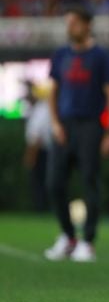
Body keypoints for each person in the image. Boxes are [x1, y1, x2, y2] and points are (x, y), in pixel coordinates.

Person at [44, 7, 109, 262]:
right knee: (54, 182)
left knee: (90, 182)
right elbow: (52, 91)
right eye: (68, 22)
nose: (70, 27)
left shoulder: (101, 56)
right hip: (65, 124)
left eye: (74, 22)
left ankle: (88, 241)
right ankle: (67, 236)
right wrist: (54, 123)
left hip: (90, 125)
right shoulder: (61, 55)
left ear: (87, 25)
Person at [23, 81, 53, 212]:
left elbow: (36, 137)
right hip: (44, 151)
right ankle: (43, 208)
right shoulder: (42, 109)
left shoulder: (41, 110)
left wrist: (31, 156)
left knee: (40, 182)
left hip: (42, 152)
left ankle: (42, 209)